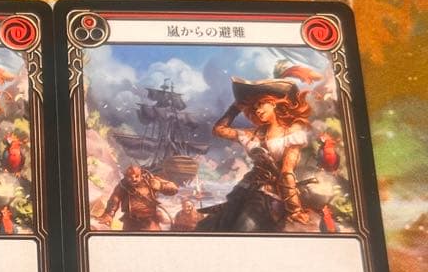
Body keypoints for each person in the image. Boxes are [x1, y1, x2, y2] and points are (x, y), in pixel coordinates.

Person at [197, 77, 313, 232]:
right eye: (254, 107)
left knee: (242, 229)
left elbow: (287, 172)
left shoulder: (291, 134)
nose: (257, 110)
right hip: (244, 189)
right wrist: (235, 108)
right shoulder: (252, 134)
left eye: (261, 104)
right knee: (212, 226)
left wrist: (295, 209)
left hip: (270, 195)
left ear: (273, 103)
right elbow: (218, 130)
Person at [95, 164, 177, 231]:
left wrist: (161, 186)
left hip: (150, 221)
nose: (134, 179)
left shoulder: (150, 180)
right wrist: (109, 214)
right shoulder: (123, 185)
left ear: (141, 174)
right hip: (130, 222)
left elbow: (174, 189)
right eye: (130, 177)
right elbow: (115, 199)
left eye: (136, 176)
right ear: (126, 176)